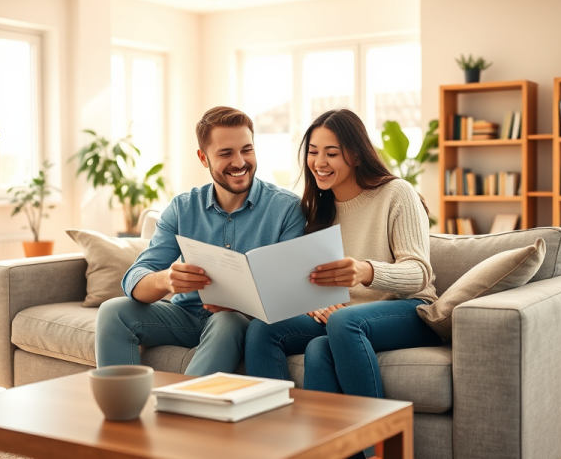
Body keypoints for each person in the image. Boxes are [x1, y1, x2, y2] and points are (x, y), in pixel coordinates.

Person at [245, 108, 442, 426]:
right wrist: (312, 302)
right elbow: (311, 280)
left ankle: (378, 446)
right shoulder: (316, 209)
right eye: (312, 152)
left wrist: (367, 271)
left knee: (342, 324)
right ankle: (276, 440)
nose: (319, 162)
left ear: (357, 155)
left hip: (409, 310)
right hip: (341, 318)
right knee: (268, 330)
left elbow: (419, 272)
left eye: (331, 153)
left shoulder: (396, 194)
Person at [96, 106, 305, 376]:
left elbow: (293, 290)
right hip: (187, 317)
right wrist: (165, 280)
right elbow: (135, 277)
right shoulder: (182, 208)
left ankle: (184, 411)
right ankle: (122, 411)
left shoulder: (287, 209)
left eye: (247, 149)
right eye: (226, 153)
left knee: (227, 320)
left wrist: (241, 303)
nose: (240, 162)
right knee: (113, 312)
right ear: (203, 158)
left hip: (241, 321)